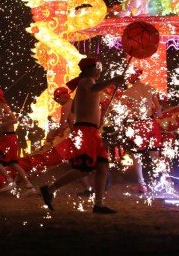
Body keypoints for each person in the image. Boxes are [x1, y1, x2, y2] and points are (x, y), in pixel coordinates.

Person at [40, 57, 124, 214]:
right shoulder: (86, 81)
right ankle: (50, 189)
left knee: (102, 166)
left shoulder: (87, 84)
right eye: (98, 66)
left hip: (90, 131)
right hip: (86, 131)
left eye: (101, 66)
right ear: (88, 69)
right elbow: (93, 89)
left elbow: (75, 112)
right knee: (84, 169)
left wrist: (96, 117)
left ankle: (98, 203)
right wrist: (113, 80)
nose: (100, 69)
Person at [117, 67, 162, 193]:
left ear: (131, 77)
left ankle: (141, 184)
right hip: (151, 123)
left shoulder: (127, 93)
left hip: (138, 125)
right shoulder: (150, 88)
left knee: (137, 156)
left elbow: (126, 113)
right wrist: (155, 115)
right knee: (155, 155)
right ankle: (164, 179)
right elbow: (158, 109)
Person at [46, 86, 94, 197]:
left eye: (57, 99)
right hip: (84, 134)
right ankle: (89, 187)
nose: (57, 102)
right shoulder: (75, 103)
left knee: (78, 164)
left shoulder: (66, 106)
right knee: (80, 164)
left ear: (62, 97)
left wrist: (52, 136)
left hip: (78, 136)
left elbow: (63, 125)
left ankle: (90, 187)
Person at [0, 87, 36, 196]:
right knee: (13, 163)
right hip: (8, 138)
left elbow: (14, 120)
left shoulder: (5, 107)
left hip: (9, 138)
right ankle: (29, 186)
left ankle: (9, 181)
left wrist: (1, 126)